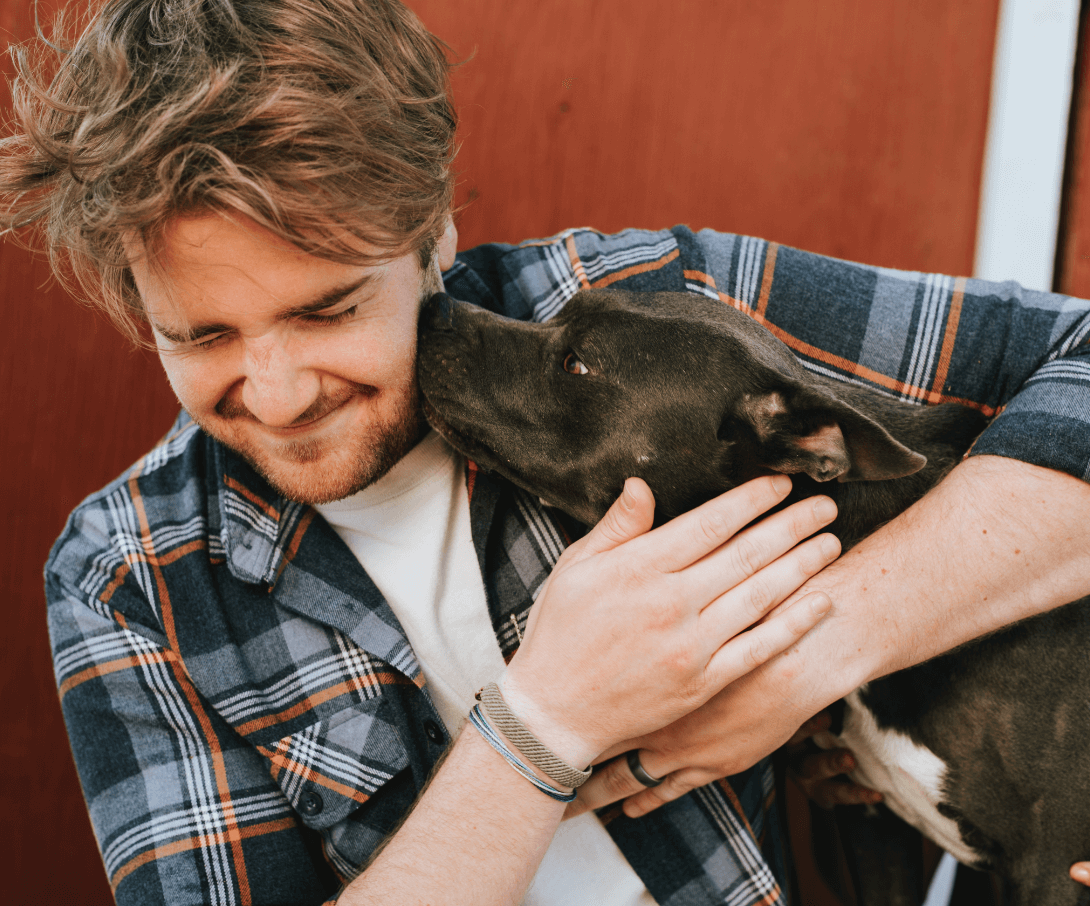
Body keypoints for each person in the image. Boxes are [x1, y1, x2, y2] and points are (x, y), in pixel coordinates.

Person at [5, 1, 1090, 904]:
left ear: (433, 231)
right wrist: (547, 720)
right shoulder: (127, 581)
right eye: (202, 337)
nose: (281, 395)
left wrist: (812, 655)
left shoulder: (647, 317)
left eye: (330, 310)